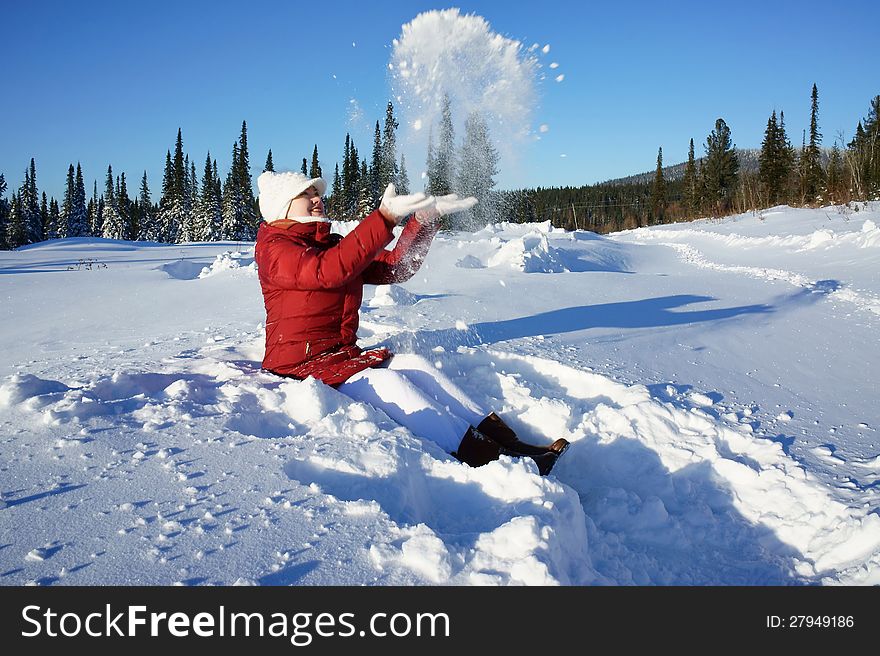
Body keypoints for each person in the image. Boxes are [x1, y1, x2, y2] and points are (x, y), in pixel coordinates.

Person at [254, 170, 569, 475]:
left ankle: (512, 444)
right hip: (299, 366)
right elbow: (326, 272)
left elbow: (396, 268)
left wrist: (424, 220)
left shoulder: (332, 245)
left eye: (317, 193)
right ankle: (492, 461)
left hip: (340, 357)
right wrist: (383, 219)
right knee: (390, 384)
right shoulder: (276, 249)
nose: (316, 199)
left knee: (417, 365)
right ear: (281, 206)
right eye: (305, 194)